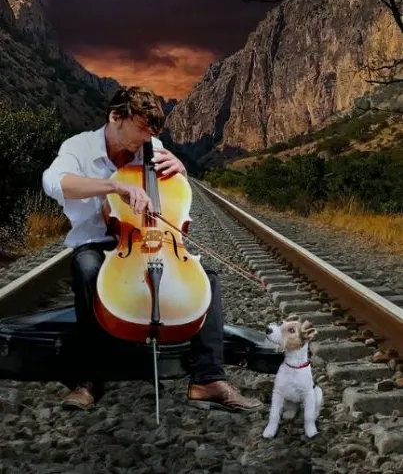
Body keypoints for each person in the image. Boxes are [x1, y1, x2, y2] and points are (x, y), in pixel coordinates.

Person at [42, 85, 262, 413]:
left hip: (150, 238)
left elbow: (175, 191)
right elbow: (54, 182)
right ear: (115, 117)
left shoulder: (151, 146)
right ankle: (90, 378)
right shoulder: (80, 147)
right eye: (138, 136)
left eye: (149, 137)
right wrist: (114, 185)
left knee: (207, 278)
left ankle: (208, 378)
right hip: (99, 242)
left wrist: (181, 171)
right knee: (86, 268)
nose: (144, 145)